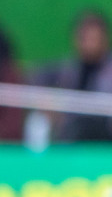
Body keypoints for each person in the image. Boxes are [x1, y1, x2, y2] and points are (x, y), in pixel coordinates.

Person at [36, 9, 112, 142]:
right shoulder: (68, 69)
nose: (89, 44)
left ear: (104, 39)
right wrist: (46, 101)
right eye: (84, 39)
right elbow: (34, 78)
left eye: (93, 39)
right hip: (70, 138)